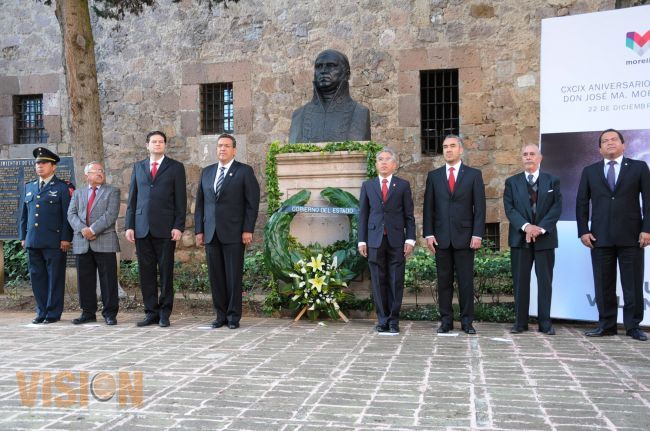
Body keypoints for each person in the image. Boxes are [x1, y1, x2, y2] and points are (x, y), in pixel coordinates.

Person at [576, 128, 650, 341]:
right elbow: (581, 202)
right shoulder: (590, 171)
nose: (610, 143)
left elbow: (648, 199)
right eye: (605, 141)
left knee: (632, 283)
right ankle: (606, 324)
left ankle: (633, 326)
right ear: (599, 148)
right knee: (603, 282)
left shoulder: (639, 167)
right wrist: (583, 231)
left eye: (614, 139)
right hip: (600, 237)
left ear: (623, 145)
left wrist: (647, 228)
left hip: (632, 236)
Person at [195, 133, 260, 329]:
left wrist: (248, 229)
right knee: (216, 277)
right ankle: (220, 315)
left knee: (233, 277)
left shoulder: (244, 171)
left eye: (226, 146)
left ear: (234, 150)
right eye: (219, 146)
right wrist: (199, 230)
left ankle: (233, 317)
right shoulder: (207, 172)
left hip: (234, 232)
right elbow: (200, 204)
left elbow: (252, 204)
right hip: (211, 232)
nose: (222, 149)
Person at [423, 135, 486, 334]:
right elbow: (428, 208)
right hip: (441, 237)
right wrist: (428, 234)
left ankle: (467, 322)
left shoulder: (474, 175)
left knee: (466, 282)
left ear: (461, 150)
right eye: (445, 147)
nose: (448, 150)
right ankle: (446, 321)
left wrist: (478, 234)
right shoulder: (434, 176)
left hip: (466, 238)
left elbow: (480, 208)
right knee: (444, 282)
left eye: (452, 146)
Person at [125, 131, 187, 328]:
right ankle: (150, 311)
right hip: (142, 228)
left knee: (166, 272)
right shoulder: (138, 167)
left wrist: (178, 226)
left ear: (165, 146)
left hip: (166, 229)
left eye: (161, 142)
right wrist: (129, 225)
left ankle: (164, 313)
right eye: (154, 141)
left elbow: (181, 200)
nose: (157, 144)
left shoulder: (176, 168)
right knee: (146, 273)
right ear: (147, 145)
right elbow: (132, 199)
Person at [504, 144, 562, 335]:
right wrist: (527, 227)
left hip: (545, 240)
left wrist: (540, 229)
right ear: (522, 158)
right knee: (521, 282)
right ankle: (520, 323)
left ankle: (545, 323)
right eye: (525, 154)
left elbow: (556, 208)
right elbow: (510, 209)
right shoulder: (511, 182)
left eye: (532, 154)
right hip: (520, 239)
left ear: (540, 158)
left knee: (545, 282)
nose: (528, 157)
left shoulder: (553, 181)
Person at [358, 148, 416, 333]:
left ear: (394, 165)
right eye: (380, 159)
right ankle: (382, 319)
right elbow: (363, 215)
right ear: (376, 164)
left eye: (387, 159)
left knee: (395, 280)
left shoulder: (403, 185)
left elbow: (409, 216)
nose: (383, 162)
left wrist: (411, 239)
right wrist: (362, 241)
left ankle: (393, 321)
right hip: (374, 240)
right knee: (378, 280)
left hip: (397, 240)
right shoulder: (368, 186)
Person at [19, 147, 73, 324]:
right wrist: (23, 237)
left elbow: (67, 215)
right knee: (37, 278)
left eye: (44, 163)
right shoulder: (29, 187)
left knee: (55, 278)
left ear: (53, 166)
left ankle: (52, 313)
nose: (40, 166)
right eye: (37, 163)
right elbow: (24, 215)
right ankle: (41, 311)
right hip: (33, 240)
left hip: (54, 241)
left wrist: (66, 238)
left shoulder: (62, 187)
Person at [67, 162, 120, 326]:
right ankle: (88, 312)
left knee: (108, 280)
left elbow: (110, 215)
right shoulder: (78, 193)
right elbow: (71, 214)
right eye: (95, 171)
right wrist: (83, 229)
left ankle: (110, 313)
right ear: (87, 175)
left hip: (104, 240)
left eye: (101, 171)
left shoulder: (112, 191)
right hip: (82, 242)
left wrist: (93, 230)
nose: (99, 173)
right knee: (85, 280)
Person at [288, 49, 371, 143]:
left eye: (331, 66)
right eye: (319, 66)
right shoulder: (299, 115)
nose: (323, 71)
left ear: (347, 74)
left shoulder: (360, 113)